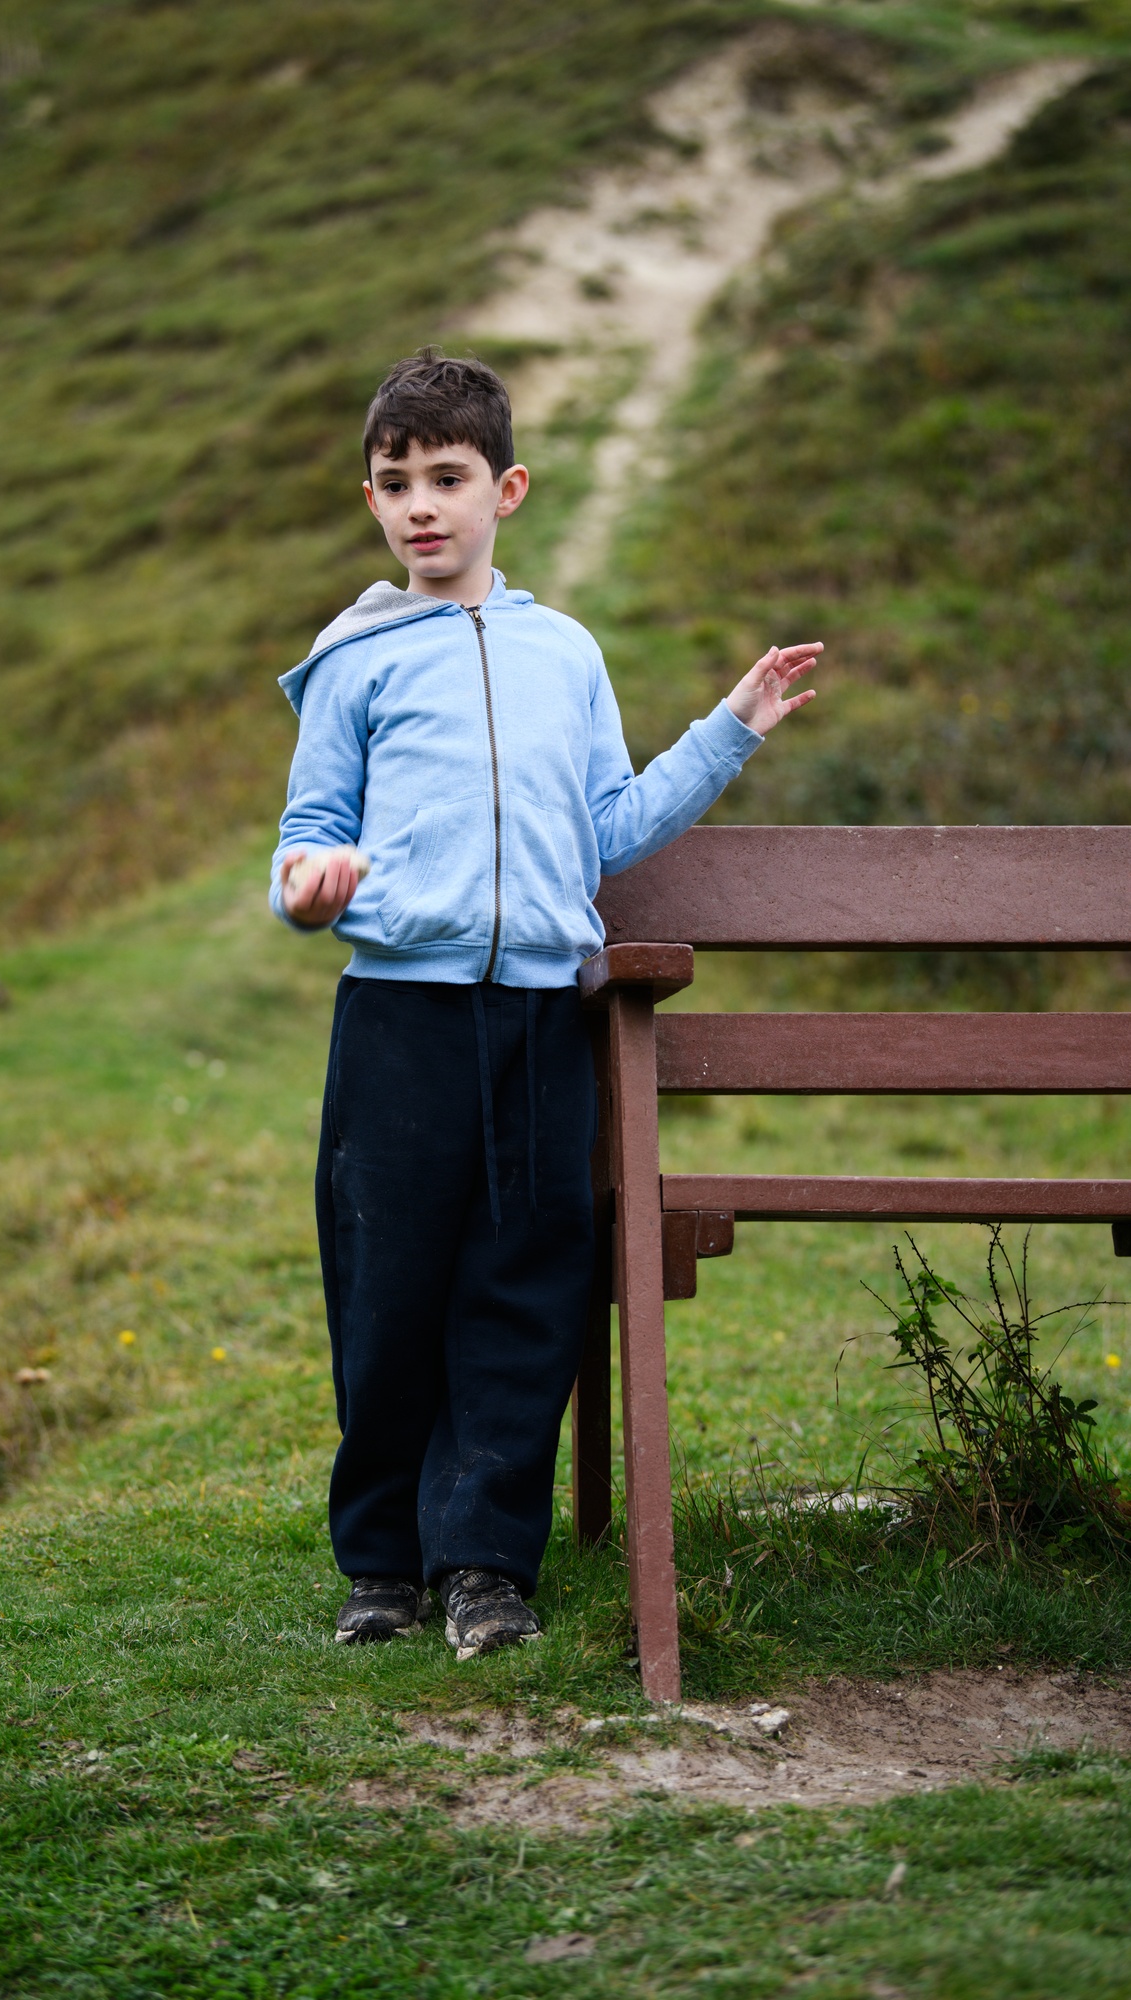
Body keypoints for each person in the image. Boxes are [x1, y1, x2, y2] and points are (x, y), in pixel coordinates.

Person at [270, 349, 819, 1659]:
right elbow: (308, 830)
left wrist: (730, 727)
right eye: (396, 482)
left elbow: (607, 828)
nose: (422, 505)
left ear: (504, 491)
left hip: (540, 1020)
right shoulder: (352, 660)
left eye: (448, 477)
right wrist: (310, 887)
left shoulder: (565, 653)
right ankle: (381, 1564)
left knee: (523, 1288)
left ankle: (485, 1564)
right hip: (398, 1022)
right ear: (371, 498)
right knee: (389, 1288)